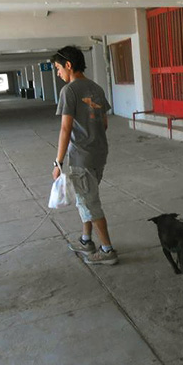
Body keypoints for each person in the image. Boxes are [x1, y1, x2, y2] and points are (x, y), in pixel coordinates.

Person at [51, 46, 119, 265]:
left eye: (58, 68)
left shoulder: (69, 91)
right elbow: (104, 122)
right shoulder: (96, 88)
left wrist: (58, 161)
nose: (58, 73)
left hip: (82, 156)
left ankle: (108, 250)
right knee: (85, 198)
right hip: (100, 153)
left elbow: (65, 129)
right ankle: (86, 239)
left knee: (90, 202)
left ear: (68, 65)